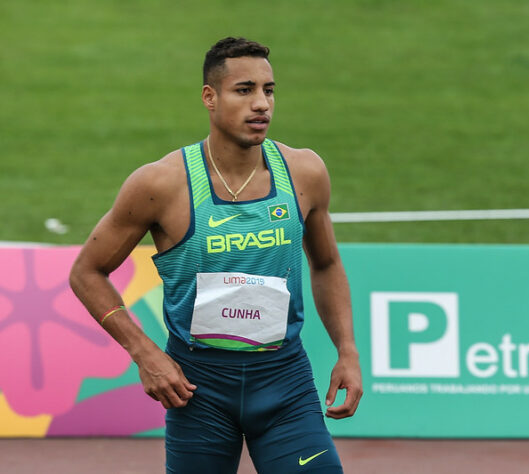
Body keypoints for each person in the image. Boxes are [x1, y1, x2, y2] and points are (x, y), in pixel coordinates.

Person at [69, 36, 362, 473]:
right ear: (210, 97)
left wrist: (348, 350)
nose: (261, 103)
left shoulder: (305, 172)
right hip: (197, 388)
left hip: (284, 381)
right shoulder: (161, 185)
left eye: (269, 90)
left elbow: (326, 263)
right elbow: (86, 272)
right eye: (244, 90)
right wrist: (145, 354)